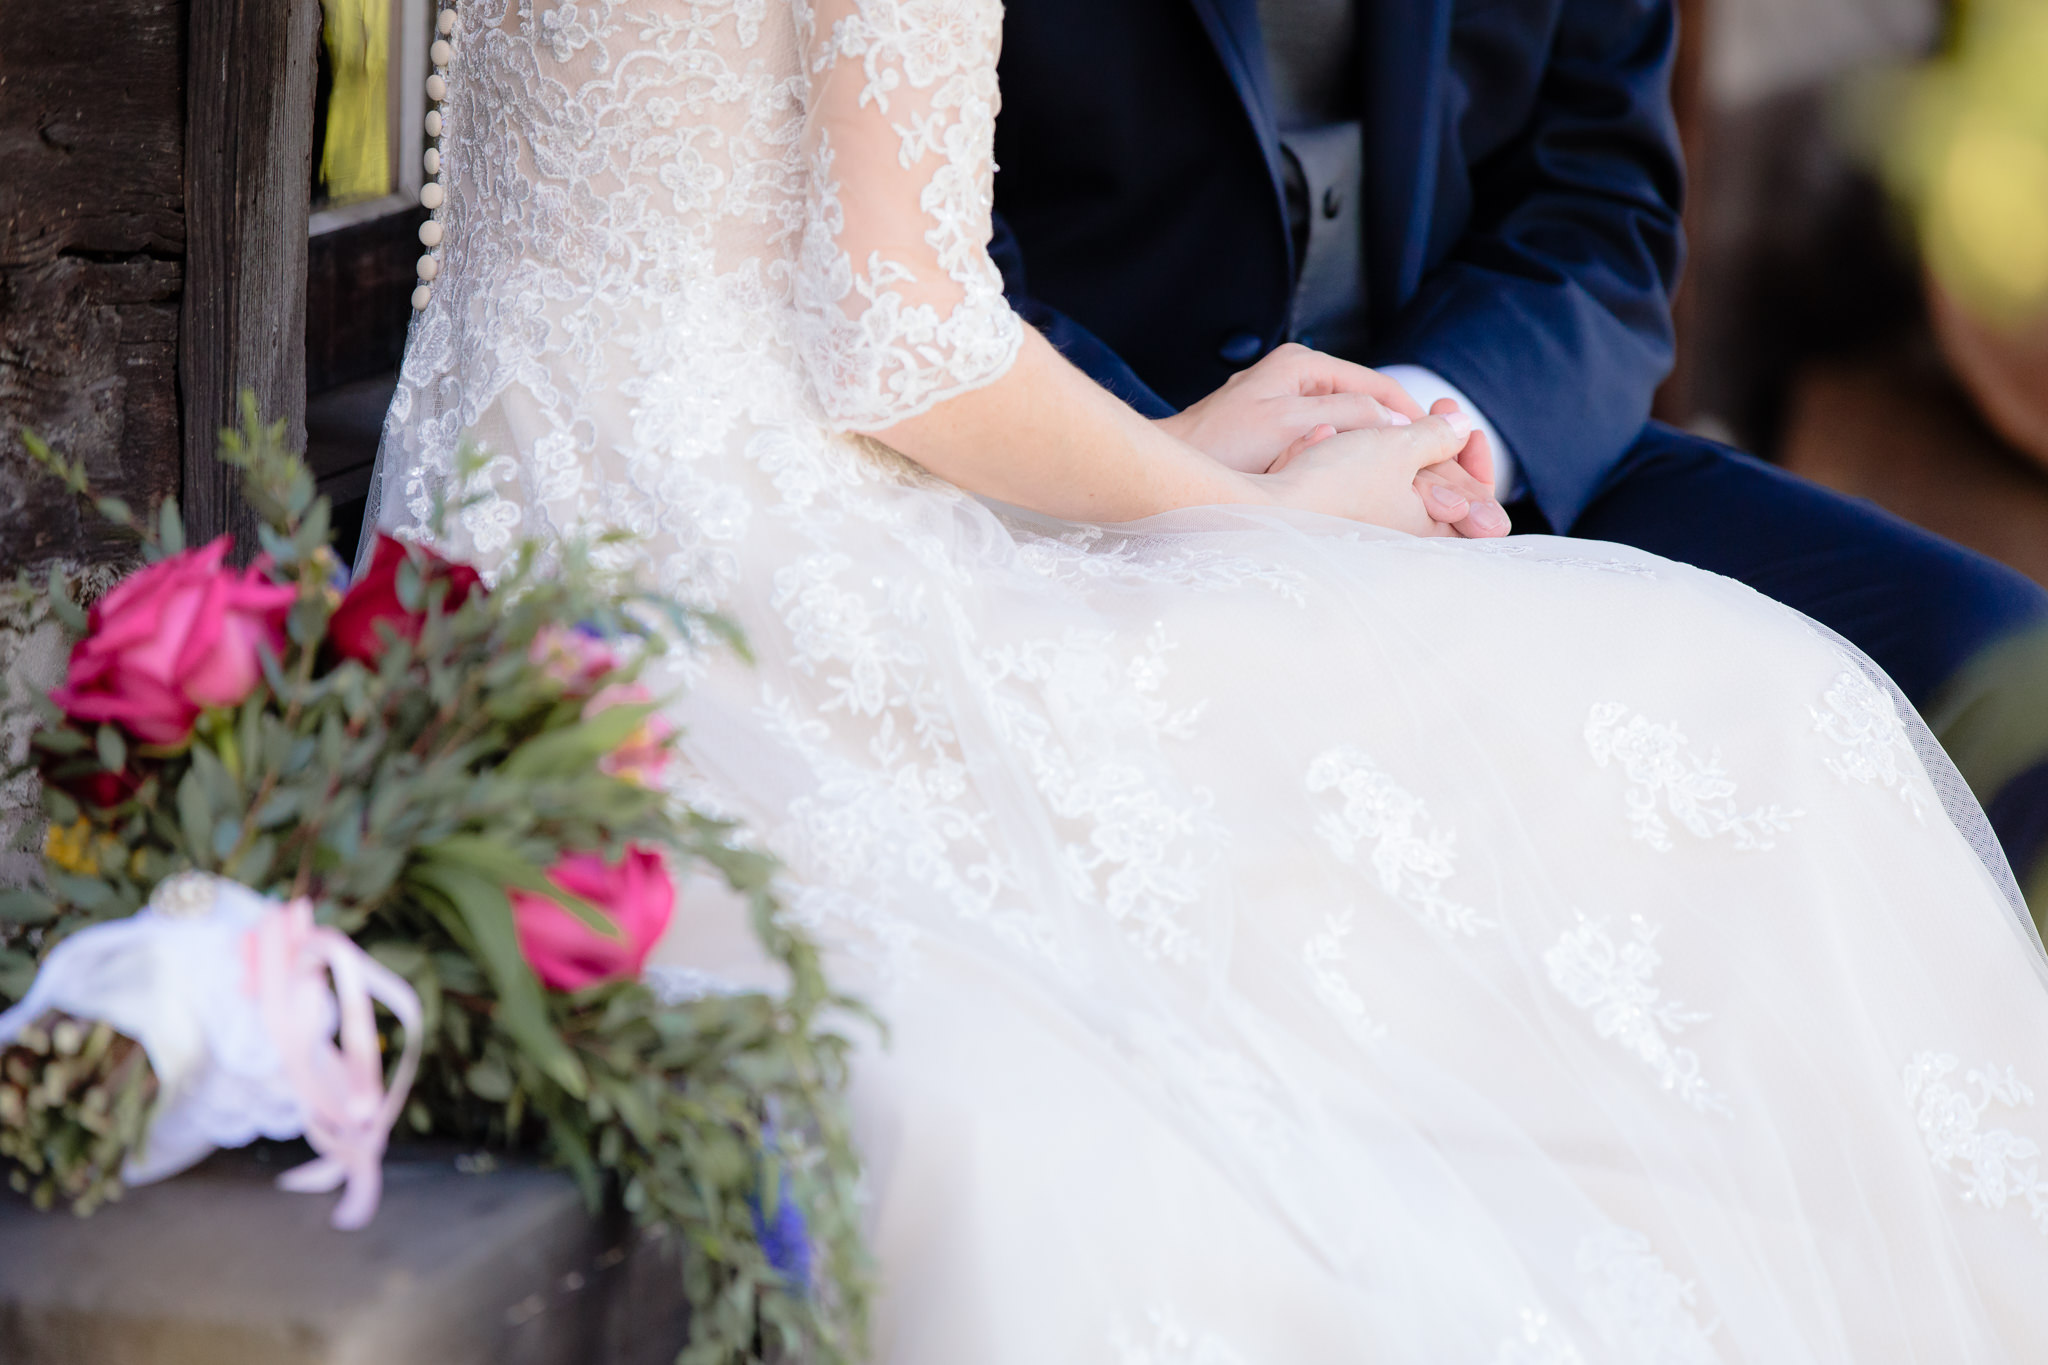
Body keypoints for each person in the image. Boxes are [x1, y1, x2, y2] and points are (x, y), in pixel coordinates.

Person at [369, 1, 2048, 1358]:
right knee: (1713, 759)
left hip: (537, 483)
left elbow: (1602, 212)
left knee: (1959, 675)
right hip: (992, 468)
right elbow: (907, 318)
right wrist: (1247, 507)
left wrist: (1421, 432)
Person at [988, 0, 2048, 923]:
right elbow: (910, 268)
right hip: (1068, 479)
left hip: (1479, 433)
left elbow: (1599, 204)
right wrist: (1213, 476)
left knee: (1993, 666)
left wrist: (1424, 441)